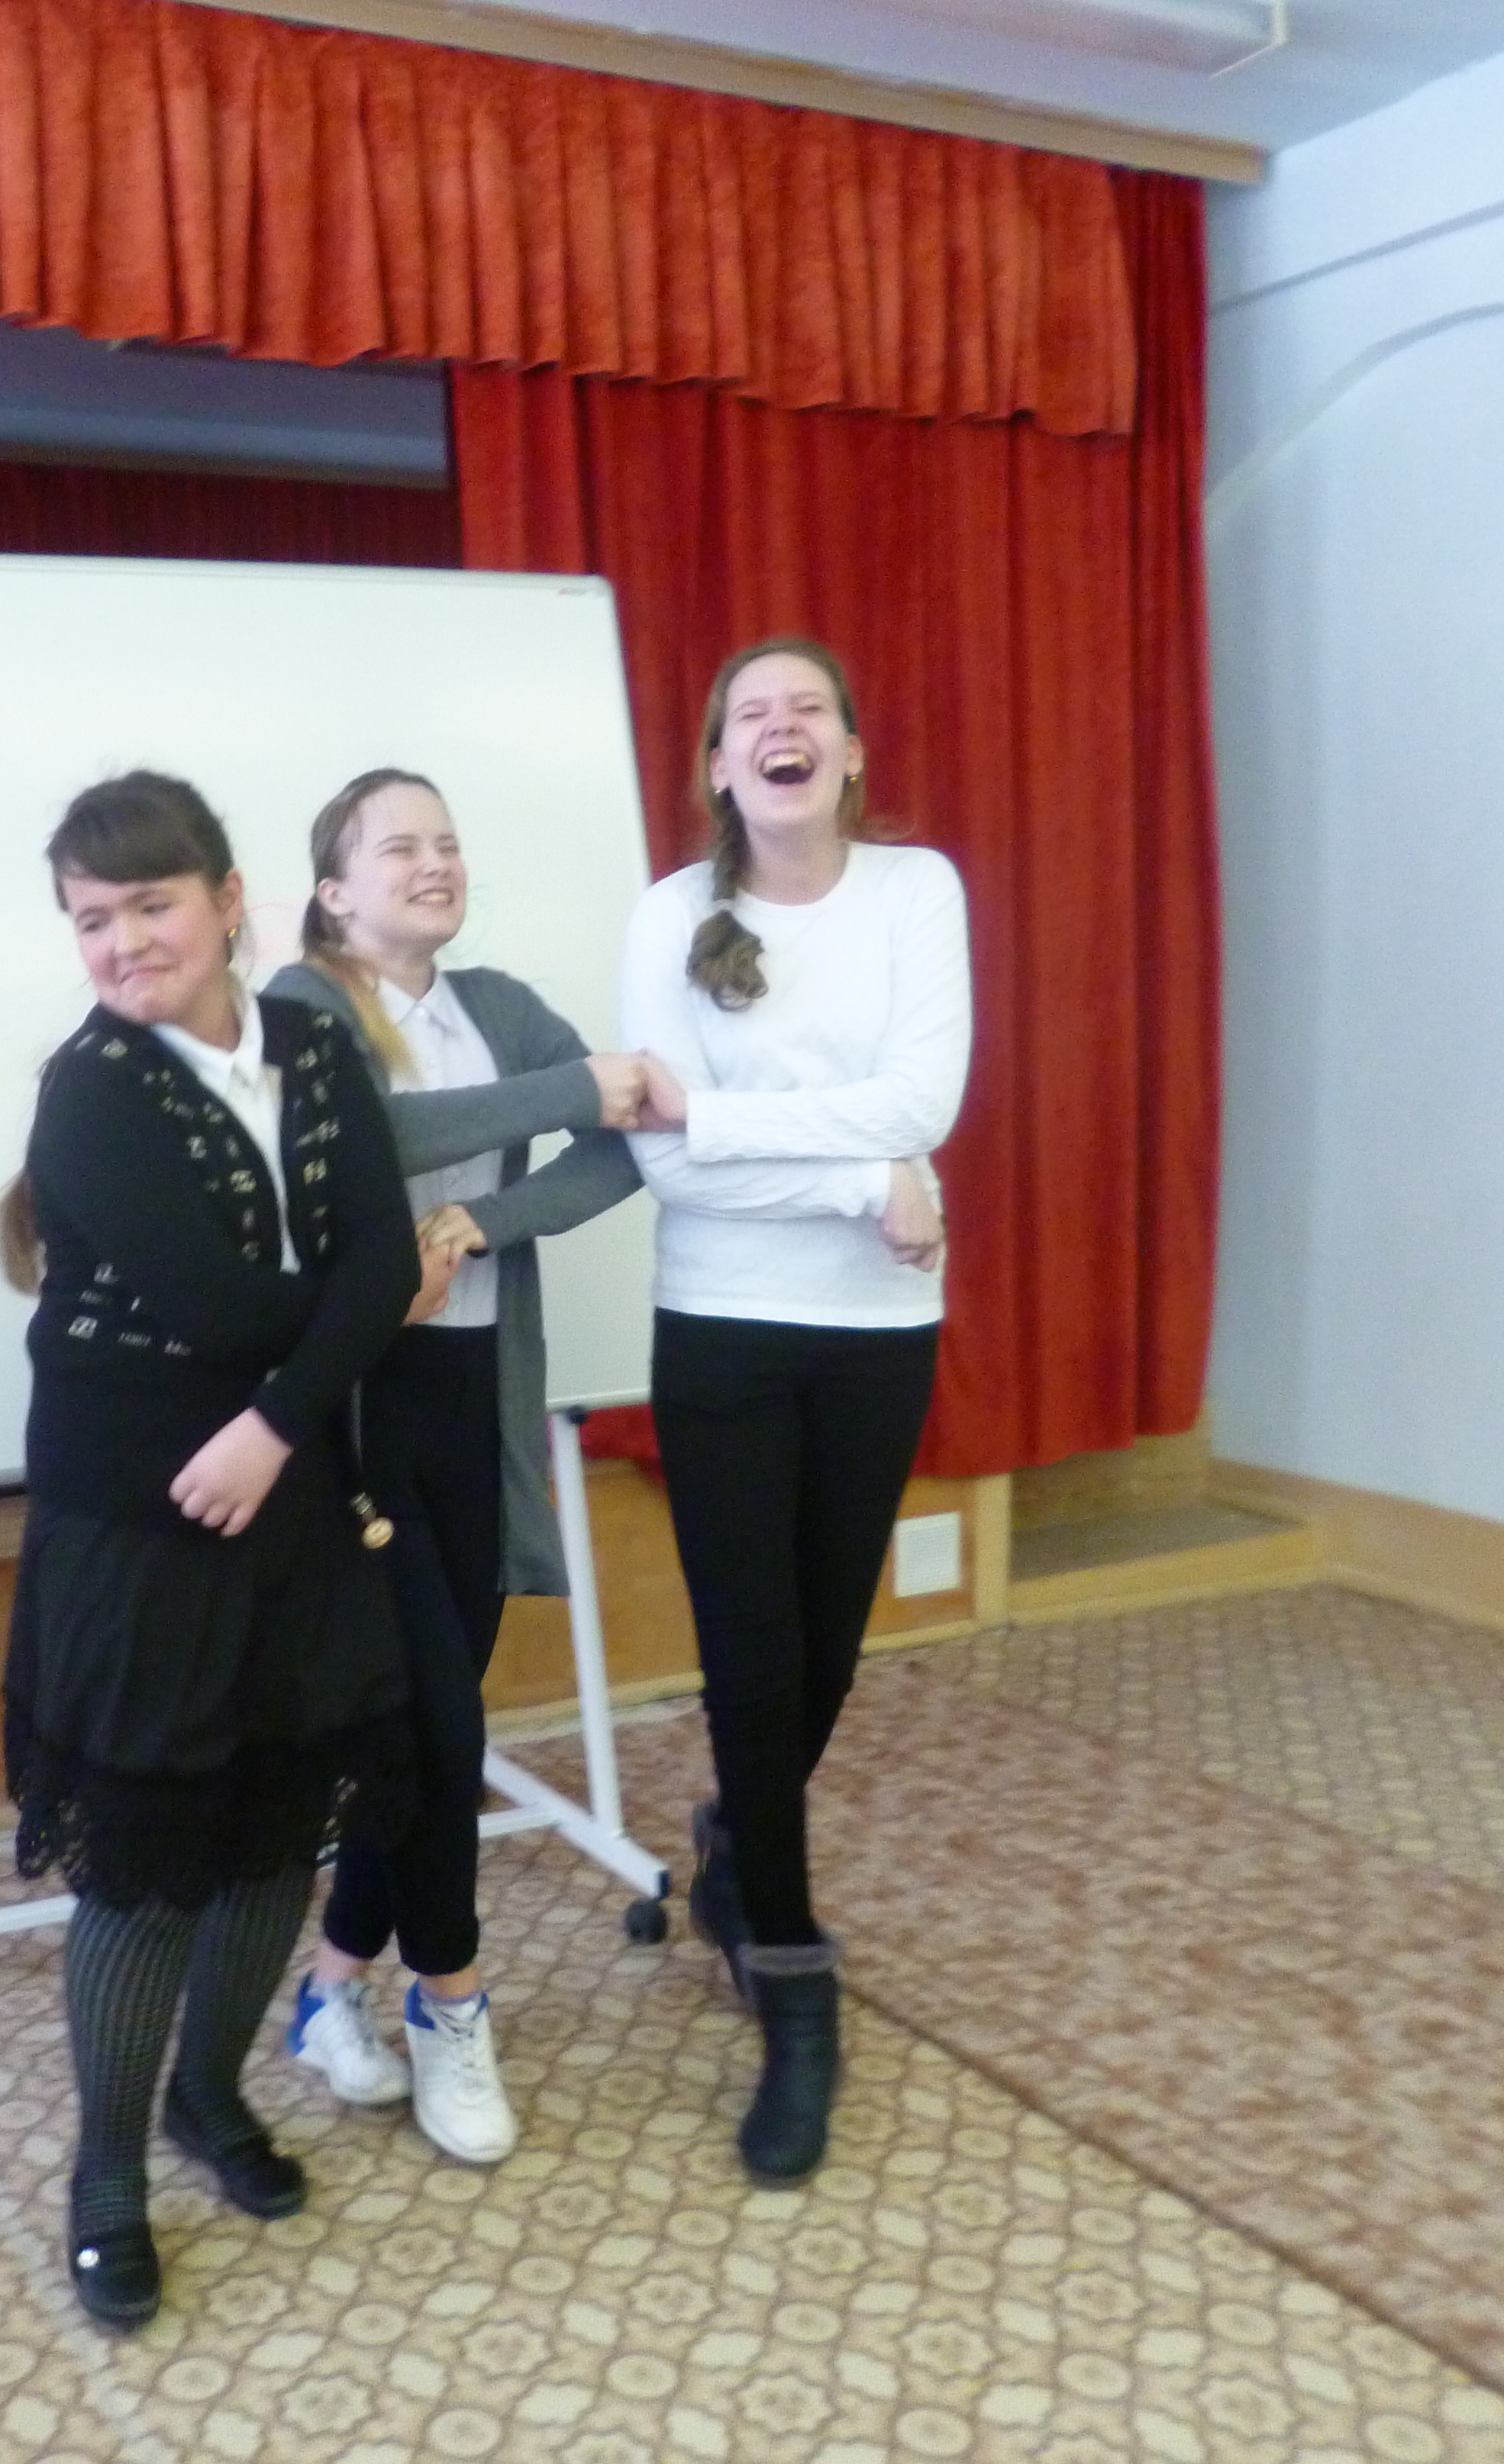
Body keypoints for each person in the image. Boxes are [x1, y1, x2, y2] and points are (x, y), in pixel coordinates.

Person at [0, 772, 421, 2333]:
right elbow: (244, 1302)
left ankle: (209, 2097)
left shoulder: (313, 1038)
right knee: (147, 1870)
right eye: (90, 920)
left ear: (232, 903)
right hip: (140, 1523)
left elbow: (379, 1249)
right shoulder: (89, 1091)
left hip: (283, 1492)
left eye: (150, 906)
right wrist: (356, 1318)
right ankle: (107, 2175)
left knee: (273, 1833)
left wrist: (281, 1421)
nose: (121, 944)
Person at [266, 769, 678, 2165]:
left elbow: (622, 1146)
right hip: (360, 1411)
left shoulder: (494, 1005)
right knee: (439, 1733)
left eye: (447, 843)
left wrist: (482, 1227)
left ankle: (330, 1991)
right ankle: (453, 2009)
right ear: (336, 891)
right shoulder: (303, 1007)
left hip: (475, 1398)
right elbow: (361, 1140)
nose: (435, 862)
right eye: (400, 847)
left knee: (426, 1739)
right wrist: (572, 1086)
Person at [616, 640, 970, 2185]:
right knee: (753, 1659)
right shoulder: (669, 917)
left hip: (880, 1331)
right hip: (722, 1331)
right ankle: (789, 1965)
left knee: (824, 1649)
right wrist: (866, 1182)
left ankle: (734, 1849)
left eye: (806, 708)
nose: (781, 728)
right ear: (718, 766)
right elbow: (667, 1164)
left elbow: (924, 1104)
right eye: (749, 715)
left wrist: (741, 1119)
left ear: (849, 749)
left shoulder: (917, 892)